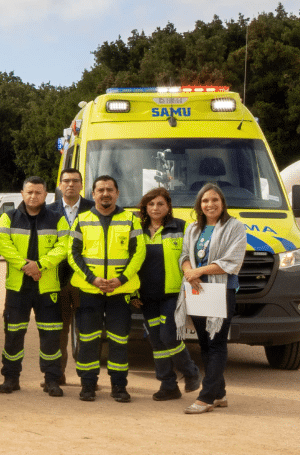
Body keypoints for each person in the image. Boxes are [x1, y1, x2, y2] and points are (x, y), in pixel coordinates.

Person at [68, 175, 146, 402]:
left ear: (117, 193)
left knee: (119, 340)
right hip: (89, 291)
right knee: (88, 340)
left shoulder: (130, 220)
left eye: (109, 189)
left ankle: (119, 386)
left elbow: (138, 253)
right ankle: (88, 385)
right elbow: (72, 255)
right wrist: (92, 278)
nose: (105, 193)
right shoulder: (81, 220)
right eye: (100, 190)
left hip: (119, 292)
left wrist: (121, 279)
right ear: (93, 194)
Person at [0, 176, 69, 397]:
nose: (33, 196)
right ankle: (11, 378)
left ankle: (52, 380)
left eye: (38, 192)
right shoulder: (8, 217)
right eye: (29, 192)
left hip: (48, 288)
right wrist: (26, 266)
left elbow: (64, 246)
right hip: (18, 288)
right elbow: (2, 244)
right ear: (22, 193)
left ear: (46, 195)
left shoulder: (58, 219)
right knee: (13, 334)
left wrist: (41, 265)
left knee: (51, 336)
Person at [176, 184, 246, 414]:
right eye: (205, 201)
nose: (210, 204)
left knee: (216, 343)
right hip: (197, 291)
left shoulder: (234, 227)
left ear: (222, 203)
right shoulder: (195, 228)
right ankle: (219, 394)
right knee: (205, 342)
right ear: (199, 205)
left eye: (215, 200)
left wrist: (200, 271)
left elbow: (232, 261)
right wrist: (189, 271)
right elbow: (185, 254)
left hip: (221, 291)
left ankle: (206, 397)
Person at [135, 187, 200, 401]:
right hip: (145, 295)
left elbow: (189, 257)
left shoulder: (182, 228)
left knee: (169, 336)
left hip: (173, 294)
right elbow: (130, 261)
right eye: (151, 204)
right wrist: (133, 293)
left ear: (168, 206)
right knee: (156, 341)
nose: (155, 208)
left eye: (160, 204)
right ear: (145, 207)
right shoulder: (137, 229)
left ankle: (191, 372)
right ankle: (168, 385)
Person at [49, 167, 93, 385]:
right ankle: (56, 375)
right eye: (66, 181)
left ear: (81, 185)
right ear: (59, 185)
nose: (71, 185)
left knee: (86, 332)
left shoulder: (94, 210)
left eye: (76, 181)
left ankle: (88, 378)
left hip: (86, 280)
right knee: (59, 332)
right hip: (58, 280)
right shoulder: (48, 211)